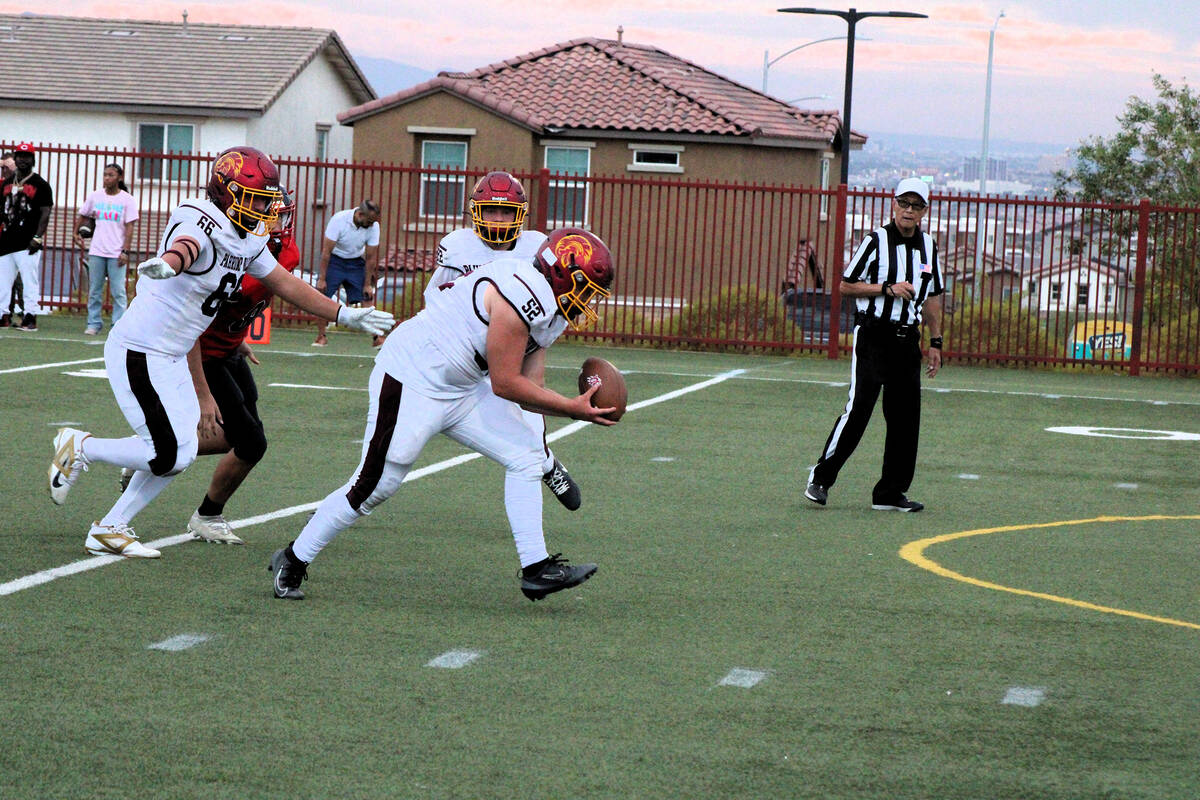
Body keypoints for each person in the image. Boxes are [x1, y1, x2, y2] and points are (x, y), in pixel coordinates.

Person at [47, 147, 394, 558]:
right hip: (141, 348)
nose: (265, 208)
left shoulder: (249, 236)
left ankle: (110, 528)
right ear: (227, 192)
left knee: (183, 450)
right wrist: (170, 263)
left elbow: (285, 282)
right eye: (257, 199)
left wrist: (343, 314)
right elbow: (188, 246)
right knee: (169, 453)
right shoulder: (199, 216)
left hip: (173, 352)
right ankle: (81, 447)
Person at [268, 227, 617, 602]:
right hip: (414, 376)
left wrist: (569, 408)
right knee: (374, 485)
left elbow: (530, 389)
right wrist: (572, 408)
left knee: (527, 454)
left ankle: (537, 569)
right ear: (564, 274)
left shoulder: (551, 308)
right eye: (586, 290)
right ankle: (294, 558)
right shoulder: (523, 292)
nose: (588, 302)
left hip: (463, 385)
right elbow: (505, 384)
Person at [430, 171, 582, 511]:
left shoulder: (536, 247)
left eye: (506, 212)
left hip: (518, 340)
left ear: (521, 215)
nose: (498, 219)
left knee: (531, 403)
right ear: (475, 212)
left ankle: (544, 461)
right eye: (491, 211)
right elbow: (436, 300)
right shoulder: (457, 247)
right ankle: (544, 462)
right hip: (467, 347)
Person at [804, 177, 944, 512]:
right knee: (859, 410)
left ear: (925, 211)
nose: (908, 211)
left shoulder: (929, 247)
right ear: (893, 204)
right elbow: (846, 286)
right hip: (874, 336)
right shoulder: (875, 241)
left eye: (916, 205)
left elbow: (933, 297)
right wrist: (886, 288)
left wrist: (936, 341)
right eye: (903, 203)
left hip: (908, 340)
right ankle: (821, 478)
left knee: (905, 419)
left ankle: (889, 493)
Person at [181, 189, 301, 545]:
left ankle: (156, 448)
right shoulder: (229, 252)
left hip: (229, 348)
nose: (277, 221)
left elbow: (249, 301)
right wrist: (203, 394)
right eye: (269, 212)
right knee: (251, 443)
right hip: (202, 353)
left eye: (280, 214)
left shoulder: (287, 252)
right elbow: (192, 325)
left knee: (237, 434)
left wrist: (239, 336)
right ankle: (207, 514)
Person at [74, 163, 138, 335]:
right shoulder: (96, 196)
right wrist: (75, 233)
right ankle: (93, 323)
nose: (107, 178)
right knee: (95, 290)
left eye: (111, 175)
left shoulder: (127, 199)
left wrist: (125, 251)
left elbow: (130, 227)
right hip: (97, 251)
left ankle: (118, 325)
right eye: (105, 175)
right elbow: (83, 215)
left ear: (119, 178)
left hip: (116, 252)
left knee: (118, 291)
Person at [312, 199, 381, 346]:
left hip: (356, 262)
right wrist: (322, 279)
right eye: (369, 221)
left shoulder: (373, 226)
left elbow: (370, 258)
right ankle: (321, 336)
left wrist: (367, 284)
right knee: (322, 296)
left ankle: (377, 338)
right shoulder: (339, 220)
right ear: (360, 215)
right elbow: (326, 252)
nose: (371, 225)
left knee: (367, 297)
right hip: (335, 261)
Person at [0, 142, 53, 331]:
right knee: (2, 281)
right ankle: (3, 315)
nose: (23, 160)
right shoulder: (7, 183)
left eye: (27, 156)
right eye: (20, 156)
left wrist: (38, 237)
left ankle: (30, 316)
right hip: (6, 241)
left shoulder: (41, 185)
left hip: (28, 241)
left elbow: (45, 213)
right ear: (15, 158)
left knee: (29, 281)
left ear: (33, 159)